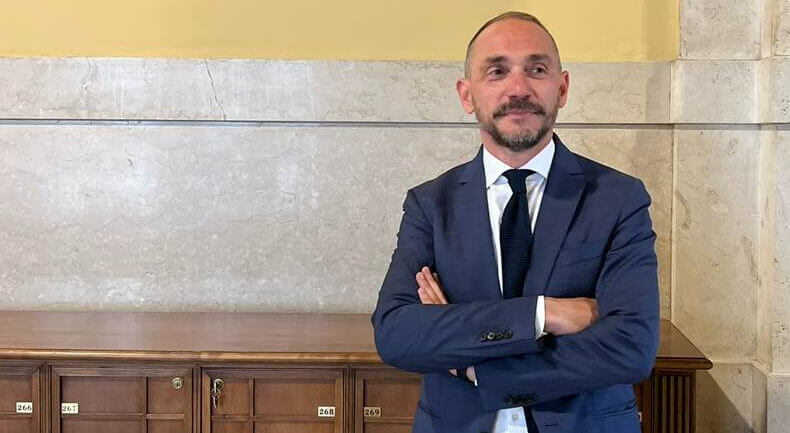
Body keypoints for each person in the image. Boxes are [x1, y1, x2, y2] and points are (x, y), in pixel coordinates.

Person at [371, 11, 660, 433]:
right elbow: (397, 334)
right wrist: (542, 314)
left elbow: (631, 347)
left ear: (562, 88)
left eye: (536, 70)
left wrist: (476, 365)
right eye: (497, 71)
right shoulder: (430, 205)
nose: (519, 88)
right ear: (467, 95)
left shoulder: (619, 198)